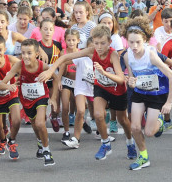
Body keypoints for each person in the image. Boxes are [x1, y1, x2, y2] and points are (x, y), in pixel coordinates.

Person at [38, 25, 137, 161]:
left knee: (123, 120)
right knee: (97, 115)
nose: (99, 47)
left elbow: (121, 79)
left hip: (116, 89)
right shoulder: (91, 51)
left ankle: (130, 142)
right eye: (96, 43)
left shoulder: (113, 55)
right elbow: (64, 58)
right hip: (101, 87)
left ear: (109, 42)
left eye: (103, 43)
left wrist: (104, 72)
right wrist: (51, 70)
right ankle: (105, 143)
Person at [122, 17, 172, 170]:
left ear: (145, 40)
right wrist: (131, 82)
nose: (134, 46)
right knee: (134, 128)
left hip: (157, 94)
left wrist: (169, 103)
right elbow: (132, 78)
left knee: (149, 132)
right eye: (131, 42)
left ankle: (160, 121)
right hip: (140, 93)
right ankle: (144, 157)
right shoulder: (127, 56)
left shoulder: (151, 55)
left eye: (138, 42)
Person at [1, 39, 57, 166]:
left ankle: (47, 151)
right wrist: (10, 85)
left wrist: (53, 98)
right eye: (23, 53)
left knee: (40, 123)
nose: (25, 56)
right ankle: (39, 142)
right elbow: (5, 80)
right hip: (26, 99)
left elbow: (56, 78)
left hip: (41, 97)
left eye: (29, 53)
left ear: (36, 54)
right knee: (34, 124)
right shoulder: (19, 65)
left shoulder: (42, 66)